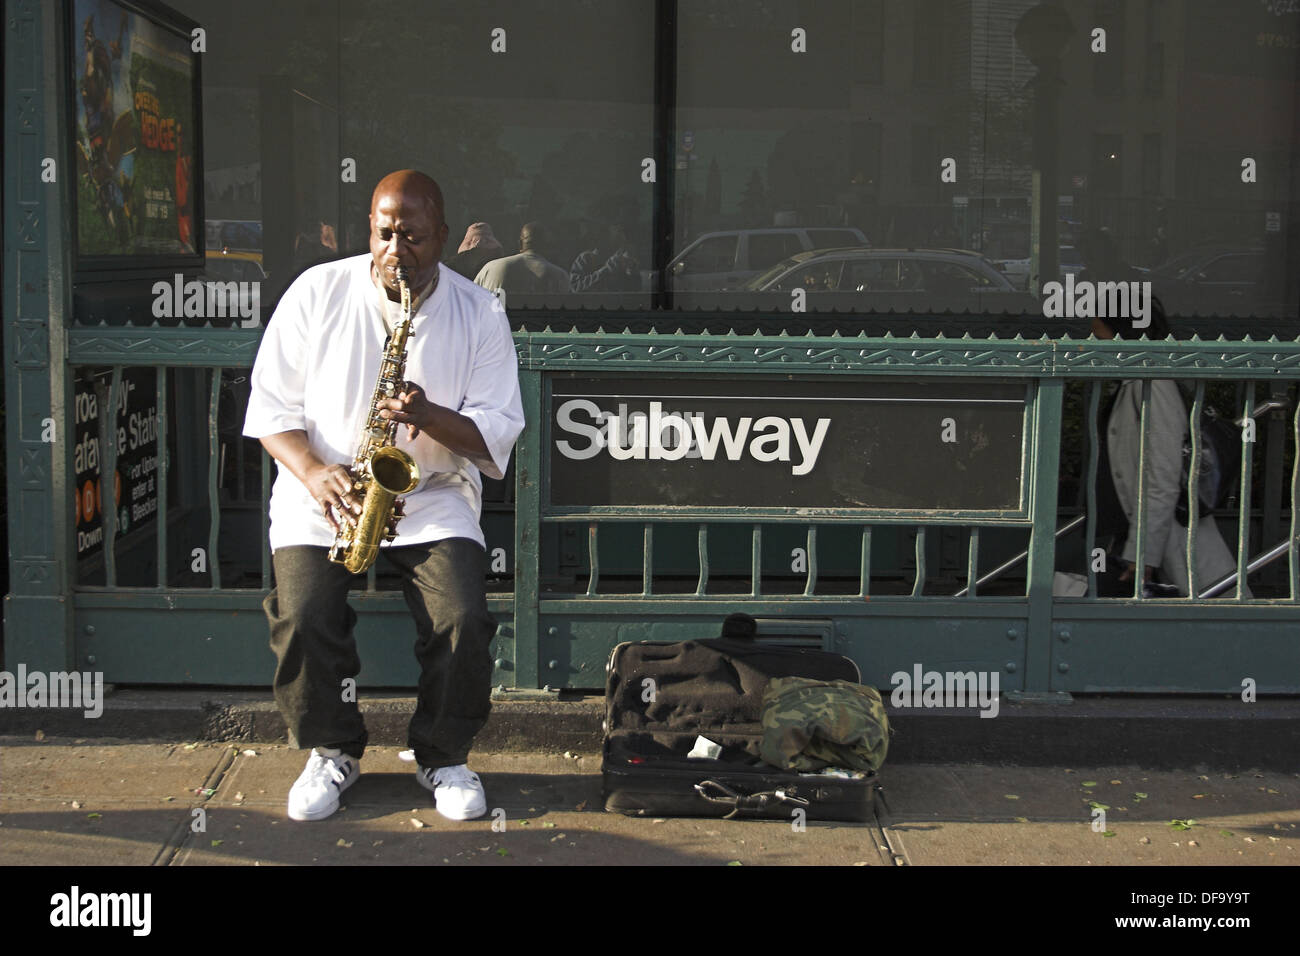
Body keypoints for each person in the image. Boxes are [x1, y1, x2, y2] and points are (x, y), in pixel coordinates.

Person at [242, 169, 525, 822]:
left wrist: (426, 415)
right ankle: (331, 750)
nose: (397, 251)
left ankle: (442, 756)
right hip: (324, 490)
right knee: (303, 614)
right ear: (368, 230)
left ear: (445, 237)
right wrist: (314, 471)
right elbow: (269, 410)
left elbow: (493, 435)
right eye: (384, 233)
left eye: (414, 236)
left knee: (463, 617)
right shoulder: (317, 291)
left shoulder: (479, 311)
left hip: (430, 494)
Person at [1091, 301, 1249, 598]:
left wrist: (1144, 552)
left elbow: (1162, 472)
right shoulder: (1134, 382)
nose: (1094, 347)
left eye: (1101, 339)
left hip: (1163, 539)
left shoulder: (1152, 384)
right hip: (1137, 536)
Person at [474, 221, 568, 297]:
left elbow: (472, 300)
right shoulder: (560, 276)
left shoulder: (490, 268)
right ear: (547, 246)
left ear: (519, 244)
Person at [570, 224, 640, 293]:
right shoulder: (585, 258)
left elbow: (636, 293)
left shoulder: (623, 260)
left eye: (622, 231)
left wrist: (633, 273)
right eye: (616, 229)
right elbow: (575, 288)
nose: (622, 235)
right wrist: (606, 269)